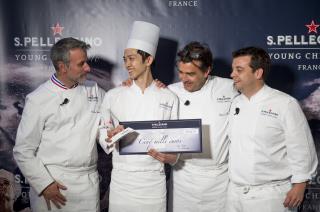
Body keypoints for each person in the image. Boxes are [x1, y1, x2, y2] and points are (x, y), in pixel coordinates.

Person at [13, 37, 104, 212]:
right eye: (81, 64)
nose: (88, 68)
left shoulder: (94, 90)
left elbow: (114, 105)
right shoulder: (38, 99)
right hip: (54, 184)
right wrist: (45, 184)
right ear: (62, 67)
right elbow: (23, 150)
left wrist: (129, 85)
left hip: (88, 184)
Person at [98, 21, 178, 212]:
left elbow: (176, 140)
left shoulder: (168, 97)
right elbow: (102, 130)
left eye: (132, 59)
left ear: (148, 60)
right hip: (122, 182)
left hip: (154, 183)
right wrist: (110, 135)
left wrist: (172, 157)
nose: (127, 64)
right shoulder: (113, 95)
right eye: (125, 59)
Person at [226, 46, 318, 212]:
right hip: (235, 195)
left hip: (270, 196)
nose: (232, 75)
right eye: (233, 69)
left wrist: (301, 183)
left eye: (239, 70)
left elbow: (302, 146)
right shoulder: (235, 103)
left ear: (258, 73)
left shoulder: (285, 104)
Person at [166, 41, 238, 212]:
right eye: (181, 72)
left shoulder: (230, 88)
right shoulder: (170, 91)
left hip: (219, 180)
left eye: (190, 74)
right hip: (183, 178)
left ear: (207, 71)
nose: (183, 79)